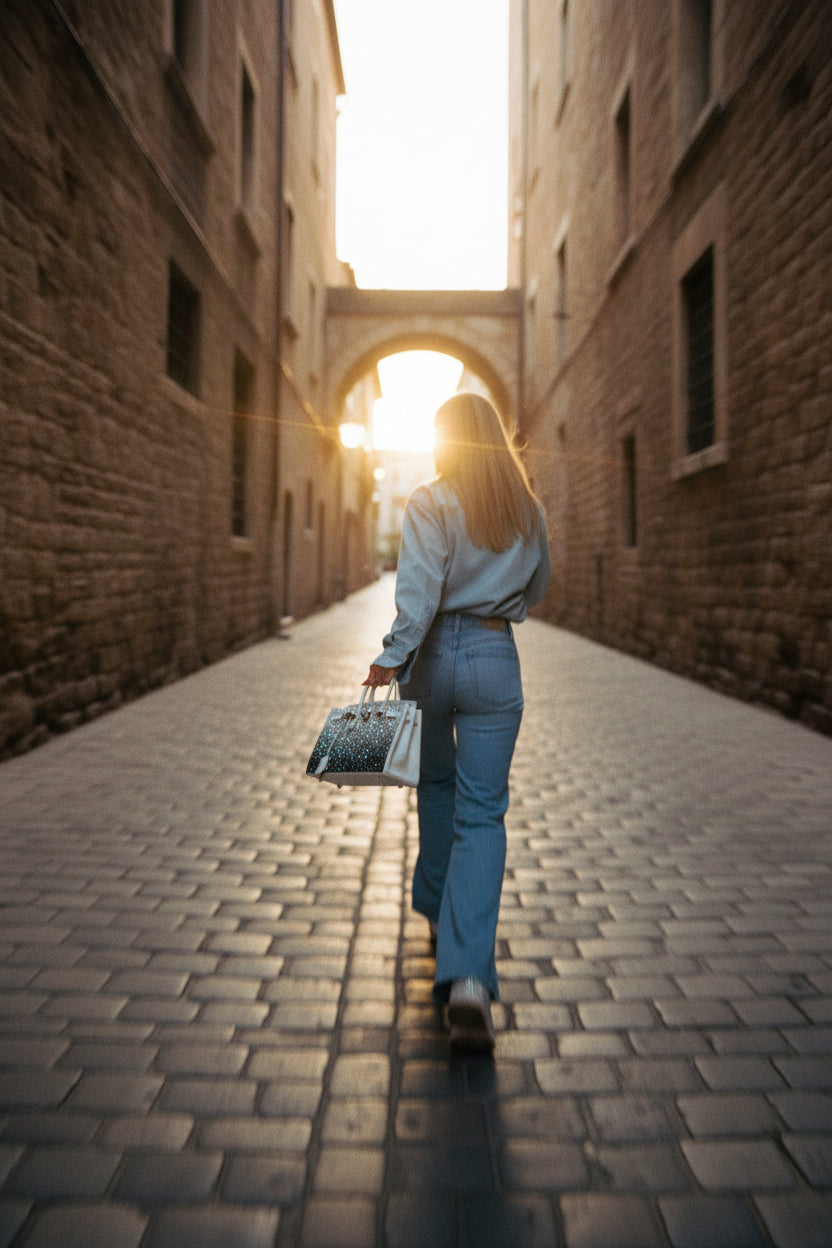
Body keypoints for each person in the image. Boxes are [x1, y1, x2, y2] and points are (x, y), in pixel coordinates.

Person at [363, 392, 550, 1051]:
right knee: (482, 815)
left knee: (436, 789)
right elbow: (537, 588)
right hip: (496, 657)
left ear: (446, 441)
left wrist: (390, 658)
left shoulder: (430, 500)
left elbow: (419, 589)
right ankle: (468, 979)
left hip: (432, 660)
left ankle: (440, 921)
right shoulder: (525, 508)